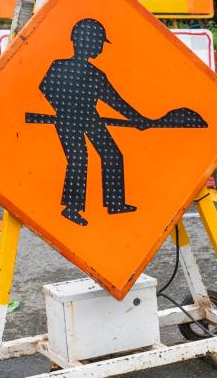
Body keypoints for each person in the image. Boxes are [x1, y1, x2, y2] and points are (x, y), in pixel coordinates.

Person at [38, 18, 150, 226]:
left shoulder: (96, 74)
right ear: (85, 41)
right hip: (68, 119)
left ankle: (115, 203)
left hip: (90, 117)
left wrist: (138, 120)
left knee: (112, 154)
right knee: (79, 158)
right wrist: (64, 108)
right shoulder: (59, 66)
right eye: (98, 42)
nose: (100, 47)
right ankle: (71, 208)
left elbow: (115, 101)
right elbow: (45, 88)